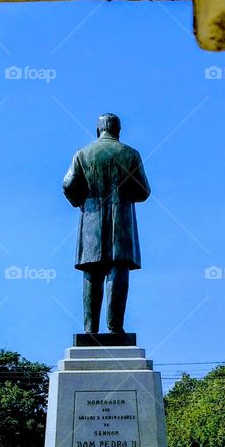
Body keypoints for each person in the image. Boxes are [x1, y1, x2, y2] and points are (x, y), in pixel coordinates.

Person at [62, 113, 150, 335]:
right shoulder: (130, 154)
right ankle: (115, 327)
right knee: (118, 270)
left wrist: (81, 200)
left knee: (92, 271)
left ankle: (90, 329)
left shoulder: (82, 154)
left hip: (91, 220)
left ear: (98, 130)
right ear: (118, 130)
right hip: (121, 220)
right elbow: (143, 191)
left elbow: (68, 184)